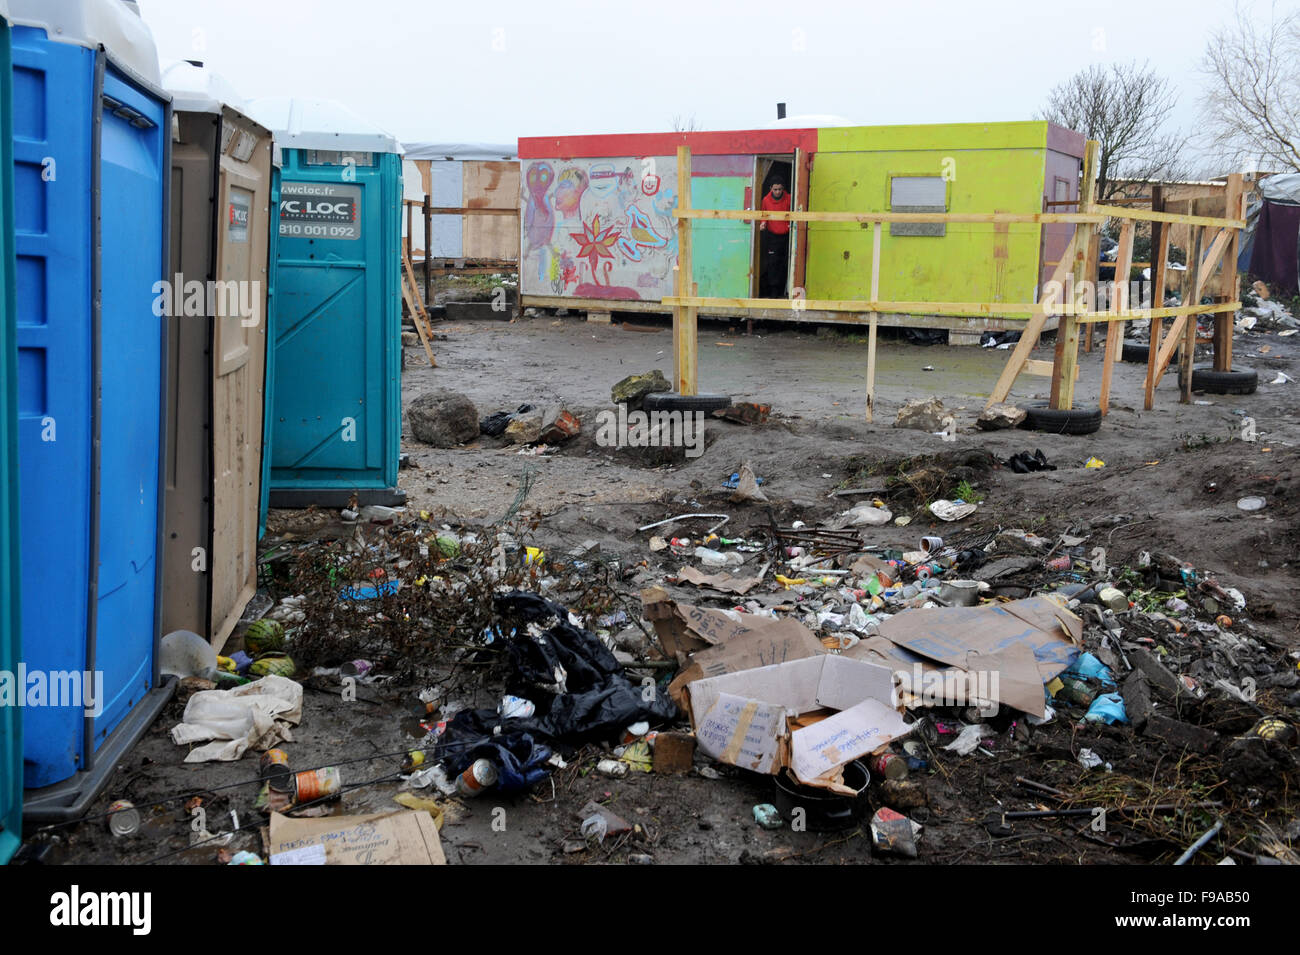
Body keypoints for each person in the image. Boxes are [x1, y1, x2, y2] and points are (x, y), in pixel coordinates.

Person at [758, 180, 791, 297]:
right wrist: (763, 223)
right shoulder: (766, 200)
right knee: (773, 263)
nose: (777, 192)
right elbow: (764, 215)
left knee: (785, 263)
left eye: (780, 189)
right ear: (771, 188)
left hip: (787, 236)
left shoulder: (789, 198)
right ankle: (773, 291)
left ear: (783, 189)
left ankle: (784, 290)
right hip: (772, 236)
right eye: (775, 189)